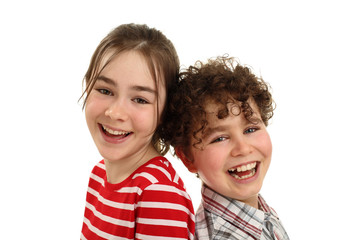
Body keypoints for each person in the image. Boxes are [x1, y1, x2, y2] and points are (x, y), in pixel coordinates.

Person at [80, 23, 195, 240]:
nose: (115, 112)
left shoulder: (158, 194)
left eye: (140, 99)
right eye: (105, 90)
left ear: (164, 111)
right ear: (87, 86)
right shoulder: (98, 174)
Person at [160, 56, 289, 239]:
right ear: (188, 158)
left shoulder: (258, 214)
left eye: (251, 129)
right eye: (220, 138)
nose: (243, 148)